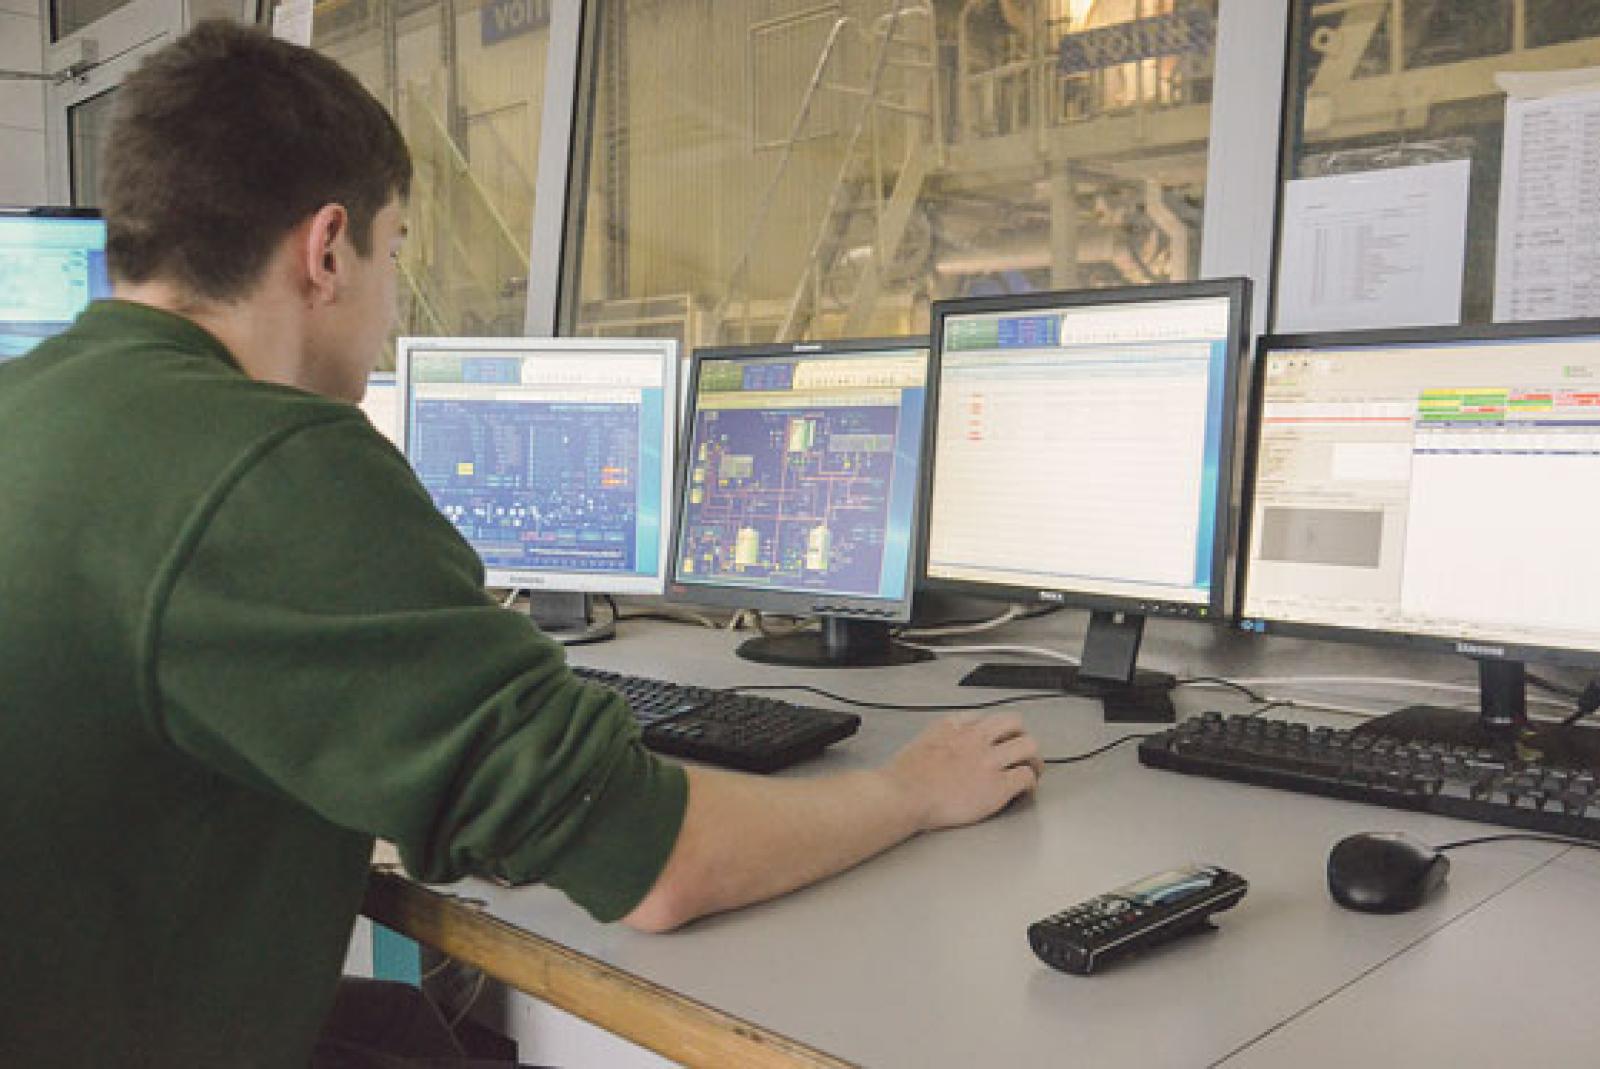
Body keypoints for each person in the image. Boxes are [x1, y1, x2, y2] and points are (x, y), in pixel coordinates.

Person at [0, 21, 1042, 1068]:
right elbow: (661, 866)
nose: (391, 298)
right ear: (326, 251)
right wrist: (910, 790)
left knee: (412, 1028)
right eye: (395, 251)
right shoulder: (270, 461)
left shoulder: (32, 404)